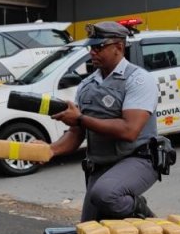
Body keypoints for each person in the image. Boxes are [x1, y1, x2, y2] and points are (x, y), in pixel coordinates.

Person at [47, 21, 160, 221]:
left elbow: (129, 130)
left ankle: (140, 210)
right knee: (88, 231)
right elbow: (76, 133)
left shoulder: (139, 80)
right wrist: (50, 150)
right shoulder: (86, 85)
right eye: (91, 47)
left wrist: (80, 118)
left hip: (137, 159)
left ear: (118, 47)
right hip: (101, 165)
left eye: (99, 47)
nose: (93, 52)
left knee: (105, 195)